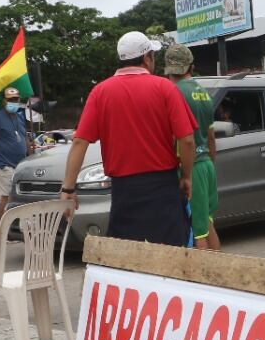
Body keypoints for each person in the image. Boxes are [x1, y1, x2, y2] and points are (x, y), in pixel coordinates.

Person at [60, 32, 197, 245]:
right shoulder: (165, 88)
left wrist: (68, 189)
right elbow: (187, 140)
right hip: (163, 188)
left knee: (127, 257)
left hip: (124, 192)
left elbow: (79, 142)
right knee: (171, 255)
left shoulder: (100, 92)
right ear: (147, 58)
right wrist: (186, 176)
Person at [164, 44, 221, 251]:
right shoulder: (203, 93)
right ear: (192, 66)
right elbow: (211, 137)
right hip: (206, 165)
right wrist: (210, 164)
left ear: (167, 68)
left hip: (191, 167)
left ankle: (203, 272)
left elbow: (178, 138)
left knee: (197, 233)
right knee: (207, 224)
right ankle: (218, 270)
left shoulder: (174, 93)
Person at [0, 86, 33, 221]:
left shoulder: (20, 117)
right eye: (11, 100)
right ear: (4, 101)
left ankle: (18, 225)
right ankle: (2, 228)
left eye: (16, 99)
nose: (14, 102)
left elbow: (25, 138)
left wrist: (32, 157)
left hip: (22, 165)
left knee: (21, 197)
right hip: (5, 165)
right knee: (6, 198)